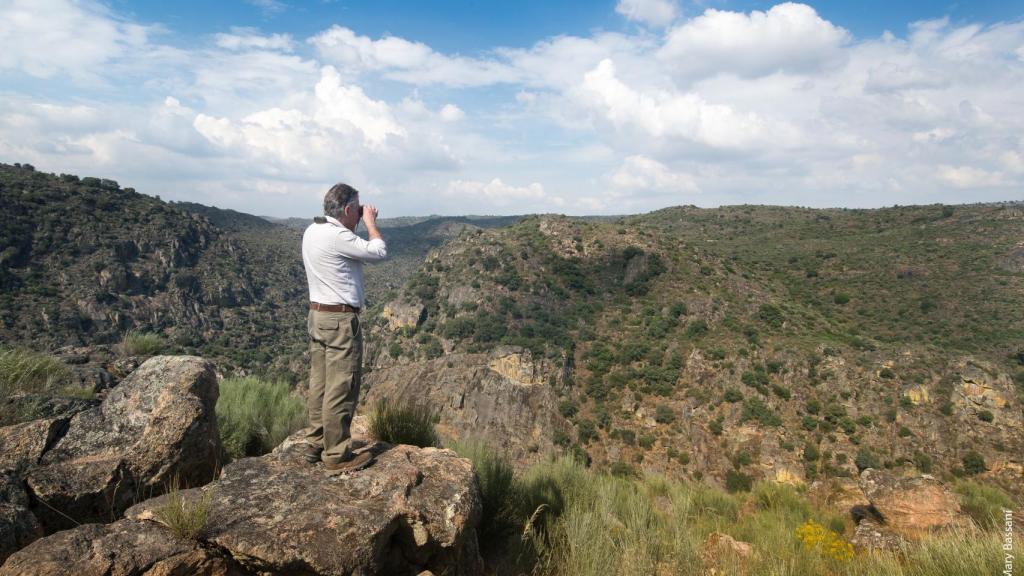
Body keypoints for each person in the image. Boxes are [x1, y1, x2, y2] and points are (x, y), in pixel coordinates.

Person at [301, 182, 387, 472]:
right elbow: (378, 253)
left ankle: (315, 442)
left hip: (317, 317)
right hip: (339, 321)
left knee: (320, 383)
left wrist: (355, 222)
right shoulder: (338, 236)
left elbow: (344, 244)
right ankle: (337, 454)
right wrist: (371, 224)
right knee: (342, 386)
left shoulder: (313, 230)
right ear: (349, 209)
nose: (362, 212)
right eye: (358, 208)